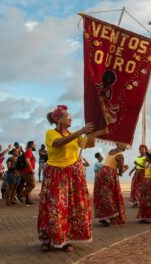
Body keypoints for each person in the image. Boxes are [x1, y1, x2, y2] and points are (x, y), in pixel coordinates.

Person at [38, 105, 94, 252]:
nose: (70, 118)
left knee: (71, 207)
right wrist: (80, 132)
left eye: (70, 117)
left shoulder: (75, 135)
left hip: (72, 176)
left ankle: (66, 239)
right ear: (58, 119)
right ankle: (48, 238)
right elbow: (58, 144)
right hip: (56, 174)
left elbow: (90, 144)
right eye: (66, 116)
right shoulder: (51, 133)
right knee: (54, 207)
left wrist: (94, 130)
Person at [94, 144, 129, 227]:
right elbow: (120, 172)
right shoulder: (120, 156)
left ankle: (104, 216)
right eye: (125, 145)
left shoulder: (111, 151)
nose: (126, 146)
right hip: (109, 174)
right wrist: (125, 168)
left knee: (102, 195)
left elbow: (110, 164)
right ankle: (112, 218)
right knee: (111, 196)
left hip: (101, 171)